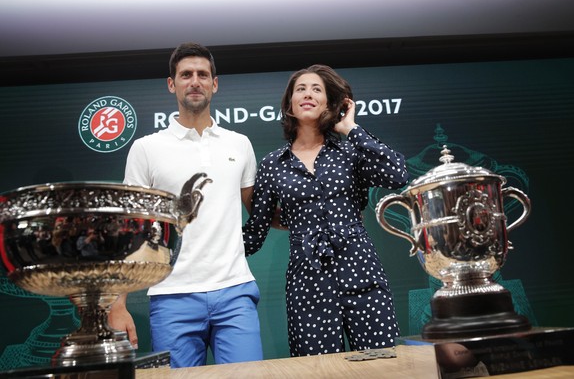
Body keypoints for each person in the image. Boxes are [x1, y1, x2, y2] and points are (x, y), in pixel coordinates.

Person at [108, 42, 263, 367]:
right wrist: (117, 304)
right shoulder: (146, 149)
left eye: (202, 74)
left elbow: (262, 213)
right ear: (172, 84)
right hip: (172, 295)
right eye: (186, 74)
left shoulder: (240, 144)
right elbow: (129, 230)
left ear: (214, 84)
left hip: (235, 290)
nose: (195, 81)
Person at [243, 64, 409, 357]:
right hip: (307, 285)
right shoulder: (272, 164)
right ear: (289, 106)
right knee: (317, 372)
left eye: (316, 89)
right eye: (301, 89)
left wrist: (351, 128)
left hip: (363, 274)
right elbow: (255, 233)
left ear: (329, 104)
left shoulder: (350, 150)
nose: (308, 94)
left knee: (382, 366)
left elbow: (396, 175)